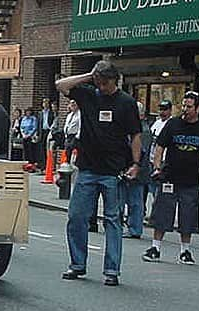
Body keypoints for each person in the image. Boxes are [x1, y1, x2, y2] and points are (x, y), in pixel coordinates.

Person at [56, 60, 142, 286]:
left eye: (105, 83)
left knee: (113, 220)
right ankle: (77, 264)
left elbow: (135, 135)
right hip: (87, 168)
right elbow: (61, 85)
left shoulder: (127, 103)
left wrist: (135, 163)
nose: (101, 87)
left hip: (113, 170)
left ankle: (111, 270)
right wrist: (88, 76)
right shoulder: (88, 95)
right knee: (76, 217)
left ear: (115, 81)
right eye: (99, 82)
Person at [142, 91, 199, 265]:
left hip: (191, 181)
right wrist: (156, 167)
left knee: (188, 217)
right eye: (184, 105)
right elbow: (160, 146)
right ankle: (155, 247)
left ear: (198, 108)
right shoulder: (173, 124)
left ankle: (185, 251)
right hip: (169, 177)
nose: (185, 109)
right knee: (162, 213)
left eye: (189, 106)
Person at [122, 101, 151, 239]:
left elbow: (141, 152)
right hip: (131, 169)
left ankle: (135, 228)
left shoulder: (143, 131)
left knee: (135, 202)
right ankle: (131, 226)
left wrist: (134, 166)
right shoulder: (133, 129)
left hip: (138, 171)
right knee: (130, 200)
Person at [143, 99, 173, 221]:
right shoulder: (156, 123)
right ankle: (149, 213)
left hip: (163, 160)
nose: (162, 112)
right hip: (151, 159)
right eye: (161, 109)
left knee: (158, 190)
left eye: (165, 109)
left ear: (170, 110)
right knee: (150, 188)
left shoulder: (171, 124)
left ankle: (157, 216)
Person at [36, 97, 55, 171]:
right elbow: (38, 124)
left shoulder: (51, 113)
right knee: (41, 149)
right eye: (44, 102)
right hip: (42, 131)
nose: (45, 104)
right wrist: (37, 134)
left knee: (47, 148)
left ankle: (48, 165)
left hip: (48, 131)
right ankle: (42, 165)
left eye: (47, 102)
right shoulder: (40, 113)